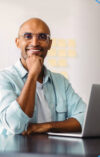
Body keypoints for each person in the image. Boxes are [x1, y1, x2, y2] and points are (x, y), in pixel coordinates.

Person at [0, 18, 86, 135]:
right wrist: (32, 75)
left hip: (54, 152)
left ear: (49, 44)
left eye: (42, 37)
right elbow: (15, 124)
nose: (35, 43)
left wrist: (47, 126)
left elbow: (84, 117)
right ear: (17, 42)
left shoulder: (60, 81)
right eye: (28, 36)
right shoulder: (4, 78)